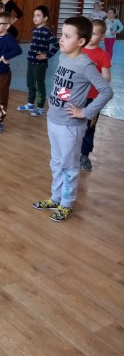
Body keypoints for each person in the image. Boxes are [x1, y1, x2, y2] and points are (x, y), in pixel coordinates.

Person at [32, 16, 113, 222]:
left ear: (81, 41)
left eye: (67, 36)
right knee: (56, 162)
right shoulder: (63, 56)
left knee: (69, 167)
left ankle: (66, 204)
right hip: (54, 119)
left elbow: (106, 91)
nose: (61, 39)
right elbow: (67, 87)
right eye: (62, 34)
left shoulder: (85, 65)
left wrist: (84, 112)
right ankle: (56, 198)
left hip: (70, 125)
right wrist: (57, 101)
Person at [80, 19, 111, 171]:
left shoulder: (103, 55)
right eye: (88, 32)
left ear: (102, 37)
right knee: (72, 125)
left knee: (89, 127)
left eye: (94, 34)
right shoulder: (78, 51)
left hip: (92, 99)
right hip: (76, 97)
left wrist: (94, 76)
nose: (90, 36)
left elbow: (106, 78)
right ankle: (71, 151)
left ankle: (84, 154)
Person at [17, 5, 59, 116]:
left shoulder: (47, 31)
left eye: (38, 15)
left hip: (40, 64)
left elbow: (56, 45)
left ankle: (40, 108)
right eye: (34, 15)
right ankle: (30, 104)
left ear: (45, 18)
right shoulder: (35, 29)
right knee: (30, 83)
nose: (35, 18)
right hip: (30, 61)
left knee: (39, 85)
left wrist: (47, 55)